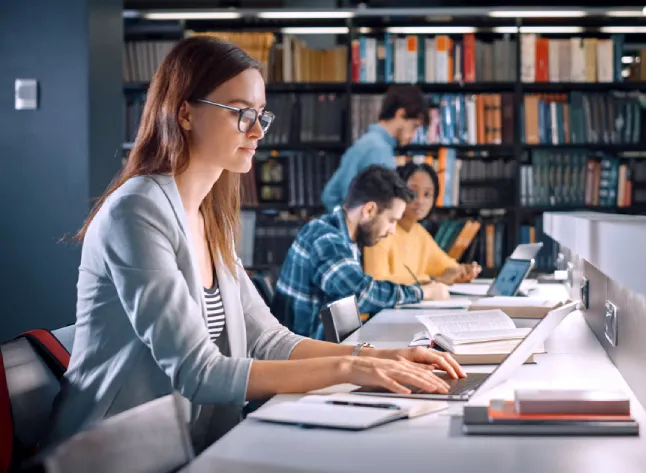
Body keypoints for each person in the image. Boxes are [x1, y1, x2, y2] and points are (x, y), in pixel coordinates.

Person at [44, 36, 464, 453]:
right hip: (111, 454)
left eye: (262, 115)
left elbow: (270, 340)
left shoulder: (212, 216)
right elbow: (197, 371)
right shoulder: (136, 211)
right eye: (241, 113)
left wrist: (379, 357)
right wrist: (350, 367)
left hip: (187, 445)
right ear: (185, 113)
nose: (257, 130)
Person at [273, 165, 451, 340]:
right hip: (306, 357)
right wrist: (422, 293)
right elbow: (360, 293)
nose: (393, 231)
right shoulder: (325, 238)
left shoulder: (345, 238)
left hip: (329, 349)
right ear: (369, 210)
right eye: (391, 220)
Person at [364, 162, 482, 285]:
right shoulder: (381, 230)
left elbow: (447, 267)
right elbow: (376, 282)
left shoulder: (419, 233)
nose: (420, 201)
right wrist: (429, 281)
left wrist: (463, 272)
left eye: (427, 195)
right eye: (413, 193)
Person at [320, 85, 428, 210]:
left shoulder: (367, 142)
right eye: (414, 126)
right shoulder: (378, 149)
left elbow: (329, 195)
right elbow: (382, 207)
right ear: (401, 114)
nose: (413, 136)